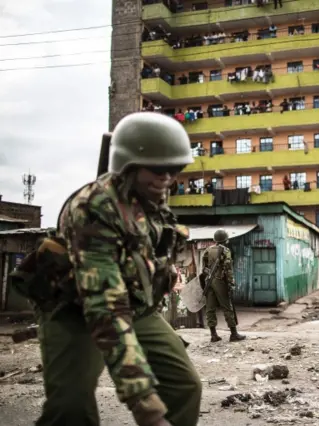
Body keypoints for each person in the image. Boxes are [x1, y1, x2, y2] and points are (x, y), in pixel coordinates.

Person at [23, 112, 202, 426]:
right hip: (72, 306)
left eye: (173, 169)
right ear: (128, 166)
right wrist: (147, 410)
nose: (166, 177)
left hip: (132, 304)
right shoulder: (93, 209)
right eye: (157, 169)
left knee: (183, 385)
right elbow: (105, 305)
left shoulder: (151, 199)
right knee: (71, 408)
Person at [201, 229, 245, 343]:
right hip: (220, 281)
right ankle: (234, 334)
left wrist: (210, 275)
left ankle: (213, 335)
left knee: (210, 308)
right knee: (227, 307)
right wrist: (231, 283)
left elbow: (204, 268)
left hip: (209, 282)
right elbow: (228, 269)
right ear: (225, 240)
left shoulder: (208, 250)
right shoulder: (225, 251)